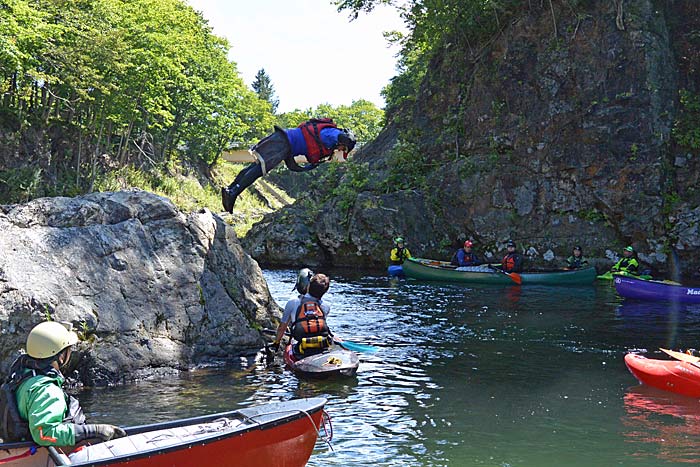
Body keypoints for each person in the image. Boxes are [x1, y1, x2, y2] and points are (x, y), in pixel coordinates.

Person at [0, 321, 126, 446]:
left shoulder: (22, 377)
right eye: (68, 349)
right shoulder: (47, 391)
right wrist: (94, 431)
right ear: (60, 356)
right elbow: (45, 434)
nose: (70, 352)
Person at [221, 118, 357, 213]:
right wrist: (347, 140)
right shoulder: (332, 134)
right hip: (283, 142)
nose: (340, 151)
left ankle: (231, 190)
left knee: (256, 167)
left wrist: (308, 167)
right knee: (258, 169)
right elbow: (338, 137)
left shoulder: (330, 140)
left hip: (286, 144)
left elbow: (293, 166)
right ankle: (232, 192)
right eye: (342, 149)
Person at [271, 273, 333, 358]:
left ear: (308, 286)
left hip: (300, 345)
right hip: (320, 344)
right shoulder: (326, 306)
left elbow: (282, 327)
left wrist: (276, 342)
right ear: (325, 291)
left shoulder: (292, 302)